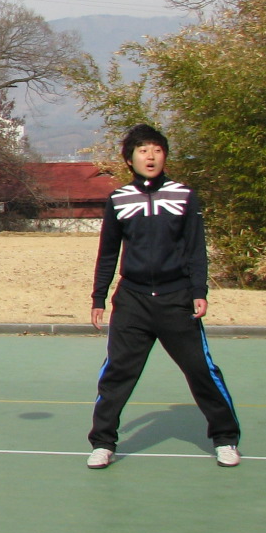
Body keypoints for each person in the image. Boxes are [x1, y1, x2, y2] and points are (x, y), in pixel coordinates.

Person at [86, 124, 241, 470]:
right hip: (133, 301)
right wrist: (99, 297)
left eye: (157, 150)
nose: (151, 156)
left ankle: (225, 439)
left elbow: (195, 248)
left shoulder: (183, 195)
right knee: (117, 373)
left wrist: (199, 291)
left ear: (165, 156)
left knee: (201, 370)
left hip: (176, 299)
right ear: (130, 159)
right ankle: (103, 443)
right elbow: (108, 252)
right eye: (143, 150)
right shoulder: (119, 199)